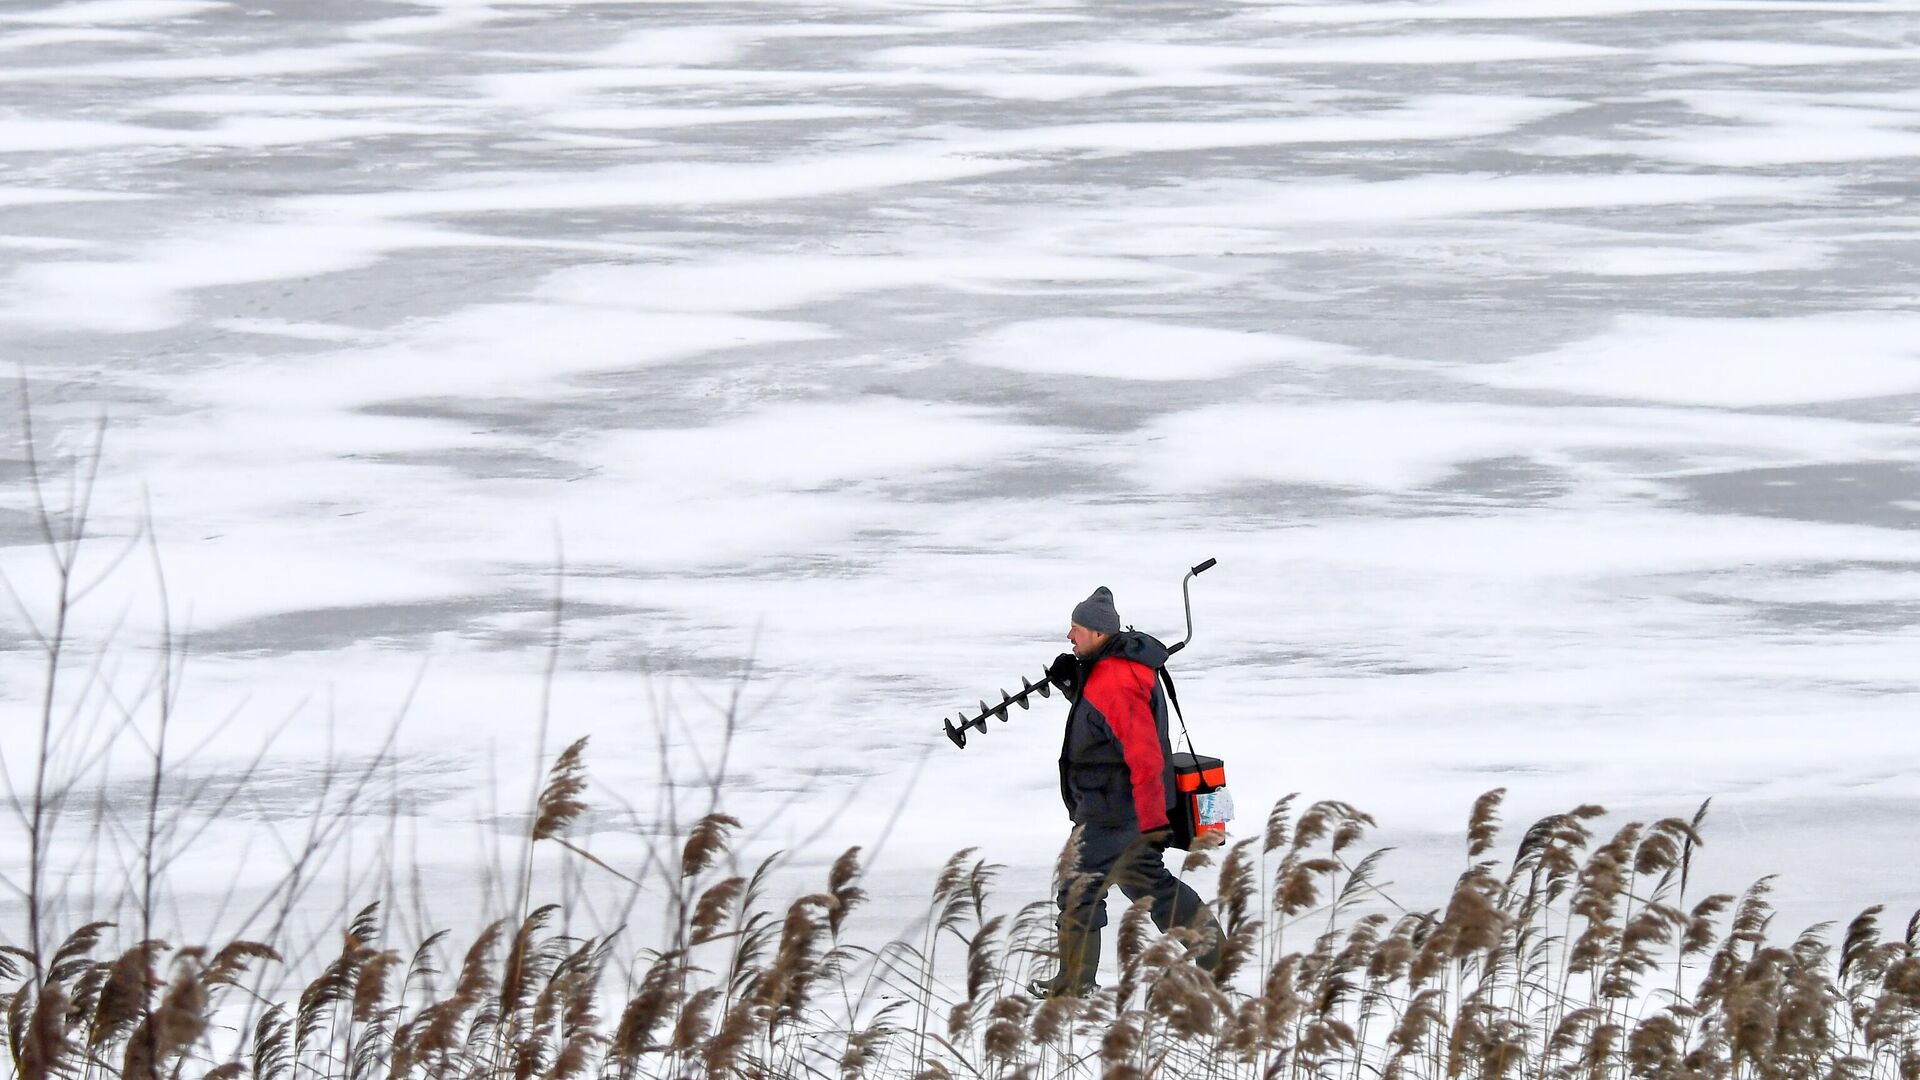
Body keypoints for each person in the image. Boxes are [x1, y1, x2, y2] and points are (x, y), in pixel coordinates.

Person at [1029, 585, 1224, 999]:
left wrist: (1153, 821)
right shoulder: (1113, 669)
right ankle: (1214, 955)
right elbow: (1104, 726)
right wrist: (1074, 686)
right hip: (1119, 805)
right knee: (1145, 882)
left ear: (1099, 634)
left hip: (1114, 809)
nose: (1070, 635)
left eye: (1077, 629)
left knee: (1077, 886)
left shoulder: (1114, 681)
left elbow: (1145, 754)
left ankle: (1074, 981)